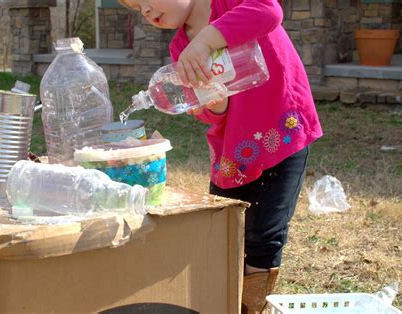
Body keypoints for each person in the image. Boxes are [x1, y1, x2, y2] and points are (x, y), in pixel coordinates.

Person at [119, 0, 323, 312]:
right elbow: (213, 114)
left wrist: (206, 41)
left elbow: (270, 11)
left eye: (146, 0)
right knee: (222, 236)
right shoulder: (180, 50)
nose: (145, 11)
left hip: (281, 133)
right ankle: (218, 301)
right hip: (233, 153)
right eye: (137, 9)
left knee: (263, 237)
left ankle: (248, 308)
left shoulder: (227, 4)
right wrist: (213, 102)